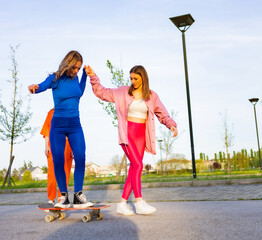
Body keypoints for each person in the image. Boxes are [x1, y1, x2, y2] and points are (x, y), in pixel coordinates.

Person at [85, 65, 178, 215]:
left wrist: (171, 125)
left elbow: (163, 113)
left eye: (136, 78)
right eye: (131, 78)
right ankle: (139, 202)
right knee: (138, 165)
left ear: (143, 78)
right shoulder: (122, 92)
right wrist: (93, 77)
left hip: (141, 135)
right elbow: (101, 92)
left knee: (135, 168)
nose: (133, 81)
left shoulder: (152, 96)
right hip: (127, 134)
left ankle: (122, 204)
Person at [28, 50, 92, 208]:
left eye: (78, 68)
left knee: (81, 157)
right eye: (74, 68)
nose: (76, 71)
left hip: (75, 125)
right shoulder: (55, 78)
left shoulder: (77, 77)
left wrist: (85, 75)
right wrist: (35, 87)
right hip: (58, 125)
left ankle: (78, 195)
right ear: (68, 64)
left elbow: (80, 92)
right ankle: (63, 196)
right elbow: (42, 86)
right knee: (58, 160)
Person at [40, 108, 73, 205]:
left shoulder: (70, 111)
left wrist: (73, 148)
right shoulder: (51, 113)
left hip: (67, 145)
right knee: (52, 173)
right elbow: (47, 130)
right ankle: (51, 198)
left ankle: (62, 198)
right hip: (53, 144)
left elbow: (74, 133)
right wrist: (46, 146)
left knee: (65, 172)